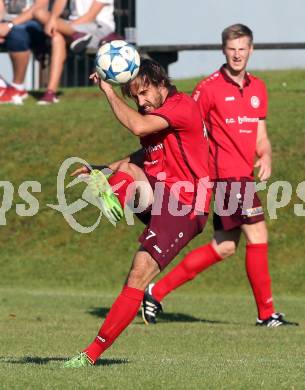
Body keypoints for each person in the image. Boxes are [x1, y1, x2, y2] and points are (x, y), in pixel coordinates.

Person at [142, 24, 298, 328]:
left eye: (243, 48)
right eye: (232, 49)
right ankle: (266, 315)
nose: (237, 54)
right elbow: (185, 122)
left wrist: (265, 154)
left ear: (251, 50)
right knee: (258, 234)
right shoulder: (208, 88)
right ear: (223, 50)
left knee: (224, 246)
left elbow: (260, 135)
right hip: (225, 177)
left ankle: (155, 291)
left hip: (243, 175)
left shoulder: (259, 88)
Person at [63, 58, 211, 367]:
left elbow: (137, 126)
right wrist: (100, 168)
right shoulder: (158, 117)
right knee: (127, 170)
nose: (141, 102)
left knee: (138, 272)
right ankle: (113, 192)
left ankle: (90, 355)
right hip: (161, 195)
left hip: (185, 207)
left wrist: (107, 89)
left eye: (144, 94)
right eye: (135, 97)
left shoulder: (181, 106)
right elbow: (142, 153)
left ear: (160, 84)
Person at [33, 0, 115, 104]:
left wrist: (63, 27)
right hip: (74, 26)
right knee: (40, 15)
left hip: (98, 26)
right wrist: (53, 20)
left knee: (57, 35)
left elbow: (91, 15)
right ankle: (50, 92)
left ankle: (50, 93)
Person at [0, 0, 49, 104]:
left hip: (34, 23)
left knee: (17, 34)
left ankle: (18, 88)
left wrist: (9, 26)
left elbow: (38, 8)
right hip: (6, 22)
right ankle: (2, 85)